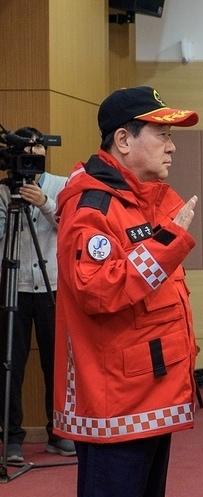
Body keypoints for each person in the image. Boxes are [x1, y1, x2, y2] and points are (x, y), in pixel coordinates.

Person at [53, 86, 201, 497]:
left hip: (153, 389)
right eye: (160, 134)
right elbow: (97, 289)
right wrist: (168, 242)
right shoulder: (90, 202)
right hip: (114, 395)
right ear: (122, 139)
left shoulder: (146, 198)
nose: (171, 146)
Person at [1, 128, 71, 464]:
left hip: (51, 284)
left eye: (37, 150)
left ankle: (59, 432)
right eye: (26, 152)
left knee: (55, 362)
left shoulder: (61, 185)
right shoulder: (3, 190)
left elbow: (70, 226)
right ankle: (12, 437)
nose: (32, 157)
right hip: (13, 286)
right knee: (10, 364)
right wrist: (11, 200)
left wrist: (44, 203)